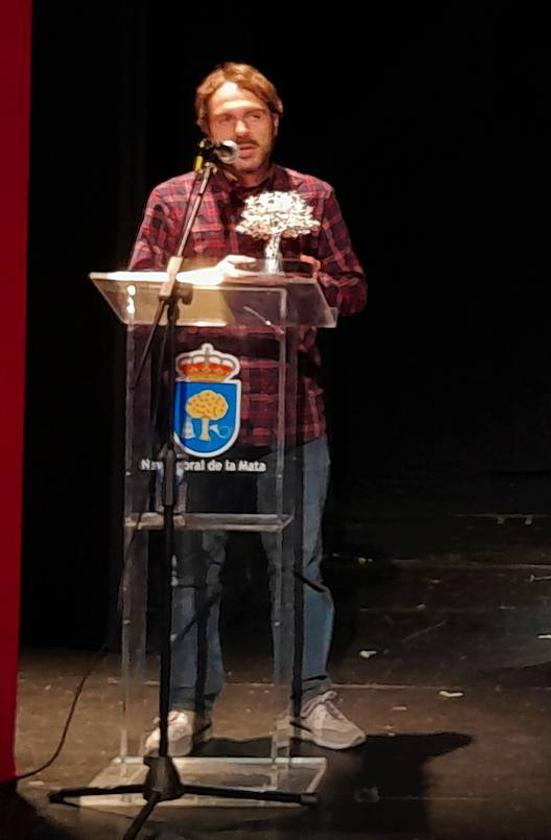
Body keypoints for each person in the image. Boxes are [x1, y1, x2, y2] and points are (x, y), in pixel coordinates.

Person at [130, 62, 367, 753]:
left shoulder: (311, 196)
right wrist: (205, 280)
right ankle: (186, 709)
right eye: (228, 118)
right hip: (203, 418)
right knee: (193, 565)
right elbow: (142, 291)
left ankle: (307, 700)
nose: (242, 129)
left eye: (254, 116)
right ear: (206, 131)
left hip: (292, 415)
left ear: (274, 120)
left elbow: (353, 291)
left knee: (298, 564)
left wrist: (312, 280)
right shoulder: (174, 202)